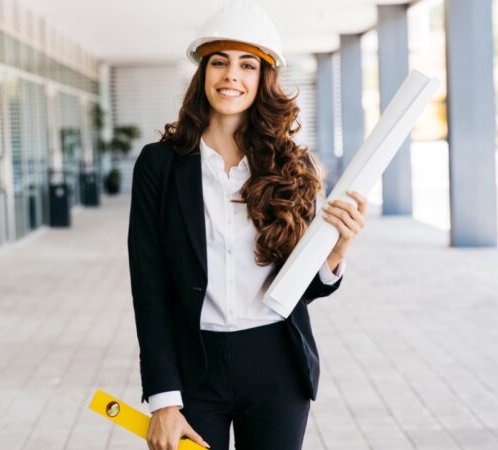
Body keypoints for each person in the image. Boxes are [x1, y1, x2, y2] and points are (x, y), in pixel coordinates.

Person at [127, 1, 367, 449]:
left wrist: (335, 255)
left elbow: (301, 288)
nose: (231, 76)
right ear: (202, 73)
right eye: (219, 62)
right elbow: (149, 285)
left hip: (277, 363)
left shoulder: (290, 166)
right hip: (194, 367)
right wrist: (163, 400)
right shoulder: (159, 166)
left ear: (263, 78)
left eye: (247, 65)